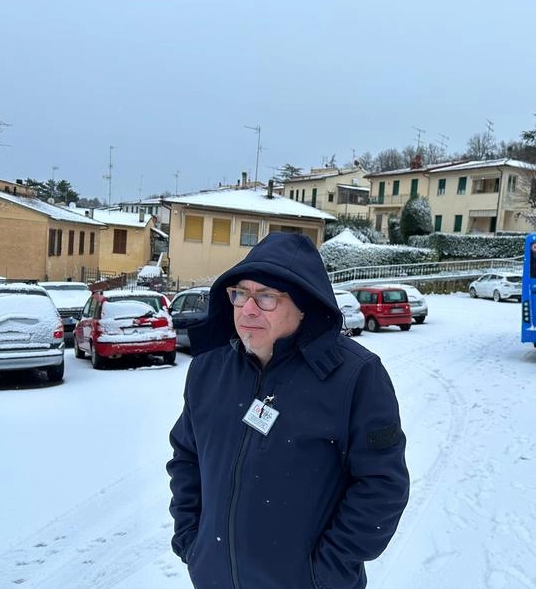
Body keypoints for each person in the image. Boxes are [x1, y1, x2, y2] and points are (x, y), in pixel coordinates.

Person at [166, 232, 410, 589]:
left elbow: (382, 485)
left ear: (303, 304)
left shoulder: (356, 376)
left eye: (265, 296)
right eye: (240, 293)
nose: (247, 308)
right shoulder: (209, 371)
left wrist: (325, 573)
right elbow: (186, 457)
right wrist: (192, 538)